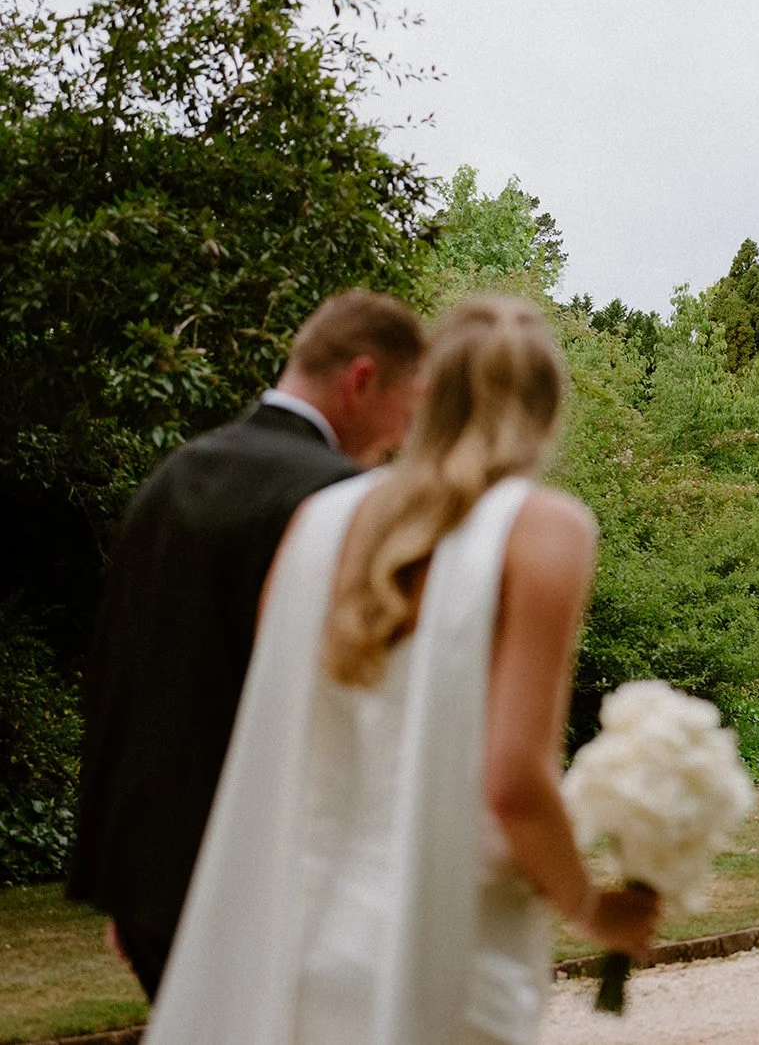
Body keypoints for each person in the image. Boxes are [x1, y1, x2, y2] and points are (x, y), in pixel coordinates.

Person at [143, 296, 659, 1043]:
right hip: (449, 948)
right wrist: (591, 906)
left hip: (307, 938)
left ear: (427, 397)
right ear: (548, 410)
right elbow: (513, 780)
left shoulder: (317, 521)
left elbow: (276, 727)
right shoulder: (544, 529)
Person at [68, 289, 429, 1000]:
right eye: (406, 411)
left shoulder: (175, 475)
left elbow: (120, 671)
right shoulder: (342, 500)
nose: (402, 437)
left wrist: (128, 877)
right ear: (361, 379)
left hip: (148, 877)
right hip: (266, 874)